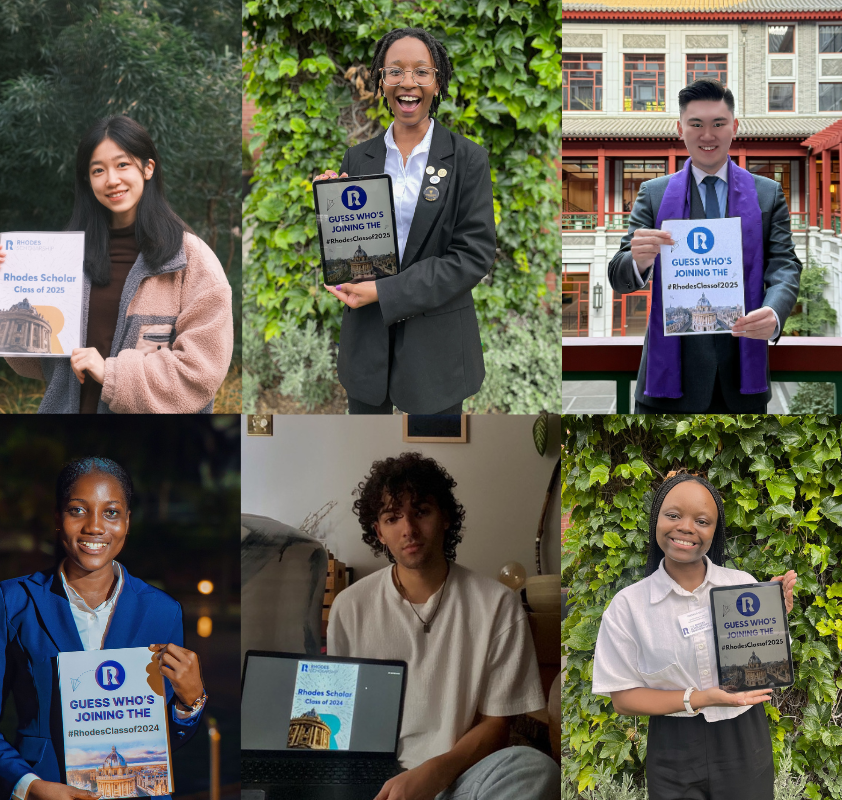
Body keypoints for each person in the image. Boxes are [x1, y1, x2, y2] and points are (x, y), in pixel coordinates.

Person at [0, 457, 207, 799]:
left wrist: (190, 701)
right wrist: (29, 786)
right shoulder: (13, 602)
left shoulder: (162, 611)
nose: (95, 527)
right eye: (78, 510)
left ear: (127, 522)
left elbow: (160, 740)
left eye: (111, 513)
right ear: (57, 518)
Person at [328, 453, 559, 800]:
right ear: (379, 531)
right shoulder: (349, 607)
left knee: (536, 770)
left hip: (459, 777)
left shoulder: (497, 605)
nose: (408, 529)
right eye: (393, 518)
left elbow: (496, 726)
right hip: (378, 783)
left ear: (445, 516)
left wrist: (434, 773)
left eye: (421, 512)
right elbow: (342, 718)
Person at [0, 116, 233, 413]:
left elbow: (201, 373)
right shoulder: (64, 257)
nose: (111, 179)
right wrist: (11, 293)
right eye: (98, 170)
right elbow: (32, 363)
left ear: (148, 168)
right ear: (88, 180)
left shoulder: (190, 260)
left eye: (122, 164)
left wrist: (111, 374)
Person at [313, 28, 496, 415]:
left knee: (432, 456)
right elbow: (348, 254)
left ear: (437, 81)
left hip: (438, 353)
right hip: (367, 346)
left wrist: (385, 293)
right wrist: (330, 209)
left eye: (421, 72)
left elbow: (473, 257)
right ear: (381, 82)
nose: (407, 82)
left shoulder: (468, 160)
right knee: (368, 454)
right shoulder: (357, 158)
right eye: (395, 71)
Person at [592, 471, 797, 799]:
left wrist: (773, 618)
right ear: (656, 518)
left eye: (702, 521)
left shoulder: (740, 585)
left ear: (714, 531)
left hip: (743, 739)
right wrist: (700, 698)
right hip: (673, 748)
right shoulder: (628, 606)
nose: (686, 527)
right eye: (673, 515)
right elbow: (622, 698)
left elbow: (765, 667)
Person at [607, 78, 801, 413]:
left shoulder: (767, 193)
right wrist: (638, 261)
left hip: (742, 381)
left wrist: (774, 312)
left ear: (734, 127)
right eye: (696, 124)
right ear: (680, 128)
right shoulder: (653, 193)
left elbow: (784, 265)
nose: (707, 135)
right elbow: (617, 275)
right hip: (667, 382)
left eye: (718, 124)